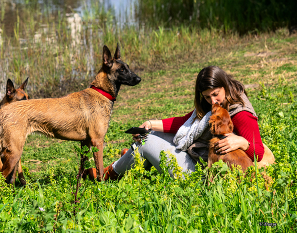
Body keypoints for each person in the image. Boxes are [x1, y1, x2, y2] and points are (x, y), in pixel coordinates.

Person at [84, 66, 266, 181]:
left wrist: (242, 142)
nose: (212, 101)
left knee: (146, 142)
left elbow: (258, 152)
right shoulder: (216, 102)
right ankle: (132, 158)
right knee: (149, 134)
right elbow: (186, 123)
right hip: (199, 156)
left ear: (225, 86)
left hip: (202, 172)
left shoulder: (240, 112)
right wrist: (151, 123)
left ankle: (108, 173)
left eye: (215, 94)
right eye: (206, 96)